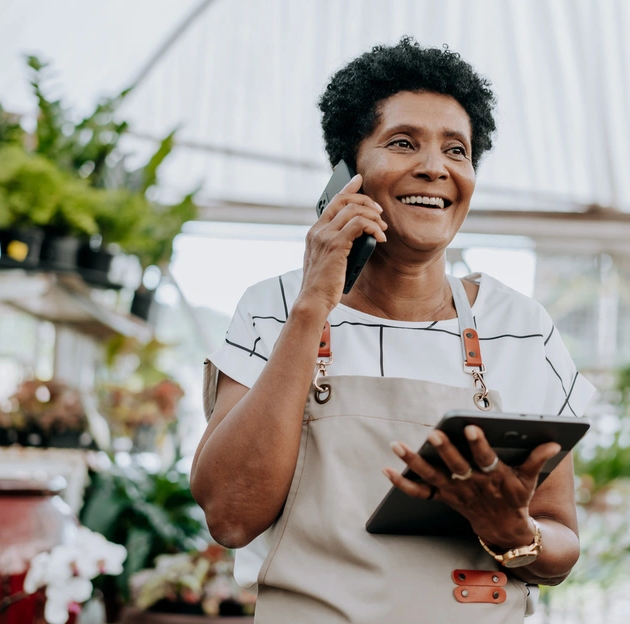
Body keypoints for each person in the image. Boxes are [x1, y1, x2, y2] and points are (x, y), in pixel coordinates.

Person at [192, 37, 596, 623]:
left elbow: (562, 544)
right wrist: (313, 306)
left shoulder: (521, 330)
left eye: (457, 150)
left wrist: (516, 531)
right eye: (403, 143)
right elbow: (230, 514)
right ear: (347, 170)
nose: (435, 168)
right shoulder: (275, 307)